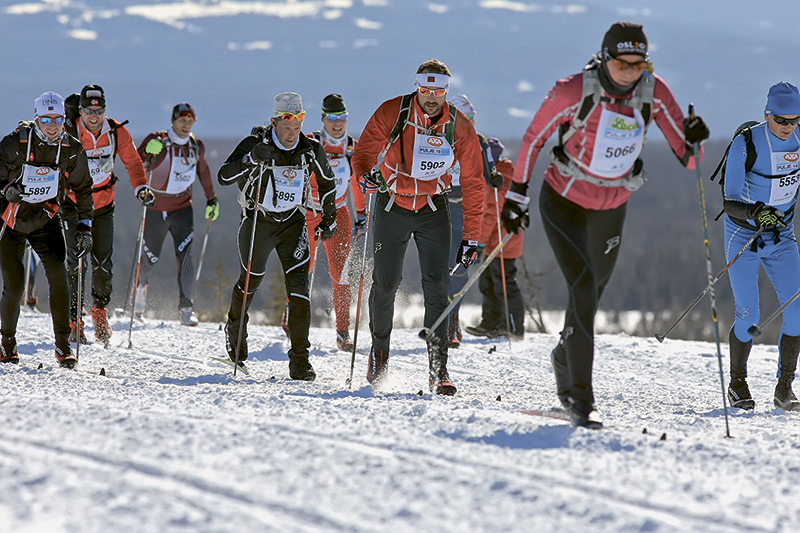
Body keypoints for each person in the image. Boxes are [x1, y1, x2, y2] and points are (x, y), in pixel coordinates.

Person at [501, 22, 709, 427]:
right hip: (563, 202)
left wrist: (695, 138)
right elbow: (532, 139)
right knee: (581, 285)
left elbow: (690, 160)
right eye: (622, 63)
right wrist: (516, 196)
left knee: (591, 295)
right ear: (604, 58)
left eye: (639, 64)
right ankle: (581, 398)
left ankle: (565, 354)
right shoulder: (572, 90)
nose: (631, 72)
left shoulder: (654, 91)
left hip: (613, 204)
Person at [351, 58, 485, 395]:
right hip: (393, 203)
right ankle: (379, 353)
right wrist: (365, 177)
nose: (431, 96)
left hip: (433, 207)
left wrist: (471, 237)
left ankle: (439, 369)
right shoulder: (394, 112)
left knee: (437, 287)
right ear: (417, 87)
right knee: (385, 284)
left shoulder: (460, 127)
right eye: (426, 89)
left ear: (446, 91)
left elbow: (473, 184)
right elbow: (365, 152)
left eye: (438, 90)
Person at [218, 92, 337, 380]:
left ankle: (300, 360)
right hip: (259, 221)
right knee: (250, 281)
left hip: (293, 224)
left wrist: (328, 216)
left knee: (299, 292)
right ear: (274, 122)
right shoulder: (256, 143)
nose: (291, 135)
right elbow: (224, 176)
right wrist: (249, 159)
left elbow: (327, 181)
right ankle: (235, 329)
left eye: (297, 128)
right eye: (286, 128)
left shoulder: (310, 149)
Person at [0, 91, 93, 368]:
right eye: (46, 119)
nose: (53, 126)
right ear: (36, 119)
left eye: (58, 119)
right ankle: (7, 343)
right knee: (14, 284)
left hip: (45, 218)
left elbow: (83, 188)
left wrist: (85, 226)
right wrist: (7, 189)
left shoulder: (71, 148)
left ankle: (63, 345)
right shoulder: (15, 143)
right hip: (11, 220)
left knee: (59, 276)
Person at [723, 82, 800, 412]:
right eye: (782, 120)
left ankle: (785, 388)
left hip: (782, 237)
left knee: (797, 313)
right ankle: (737, 384)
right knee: (749, 315)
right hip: (743, 236)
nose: (788, 127)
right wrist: (756, 212)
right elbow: (730, 201)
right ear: (767, 115)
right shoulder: (746, 143)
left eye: (795, 120)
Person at [62, 84, 148, 345]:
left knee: (102, 262)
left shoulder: (117, 131)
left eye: (98, 111)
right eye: (88, 111)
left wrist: (141, 188)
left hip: (103, 203)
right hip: (74, 203)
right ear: (81, 110)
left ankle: (100, 311)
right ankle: (74, 318)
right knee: (77, 261)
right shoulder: (70, 131)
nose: (94, 116)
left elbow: (133, 162)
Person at [135, 103, 218, 326]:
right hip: (156, 209)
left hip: (182, 209)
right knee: (150, 258)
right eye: (182, 121)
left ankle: (186, 308)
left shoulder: (195, 145)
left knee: (186, 257)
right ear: (173, 121)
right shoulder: (159, 140)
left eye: (190, 121)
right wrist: (145, 151)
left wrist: (211, 198)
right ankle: (139, 294)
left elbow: (204, 171)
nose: (186, 125)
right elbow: (136, 162)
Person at [303, 93, 363, 351]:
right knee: (304, 268)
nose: (337, 124)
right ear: (323, 119)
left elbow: (357, 183)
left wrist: (361, 214)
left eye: (342, 118)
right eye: (332, 118)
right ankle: (292, 317)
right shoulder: (310, 142)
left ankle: (342, 331)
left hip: (339, 212)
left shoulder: (352, 147)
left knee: (342, 273)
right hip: (310, 211)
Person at [444, 94, 504, 348]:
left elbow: (491, 171)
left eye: (473, 118)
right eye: (465, 118)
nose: (470, 123)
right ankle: (440, 318)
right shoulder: (440, 138)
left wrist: (495, 177)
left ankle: (452, 319)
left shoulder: (478, 141)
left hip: (467, 209)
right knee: (438, 266)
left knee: (460, 267)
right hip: (441, 208)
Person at [465, 138, 526, 340]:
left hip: (503, 241)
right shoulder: (496, 175)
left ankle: (513, 327)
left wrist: (479, 241)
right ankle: (491, 323)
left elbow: (491, 212)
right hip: (496, 242)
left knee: (504, 284)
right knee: (488, 283)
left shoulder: (496, 180)